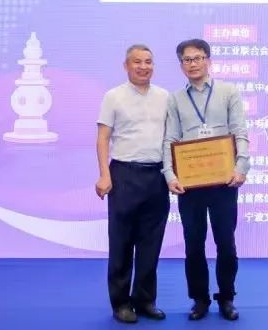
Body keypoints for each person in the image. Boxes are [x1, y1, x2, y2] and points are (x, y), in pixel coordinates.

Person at [162, 38, 249, 321]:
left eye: (198, 58)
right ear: (181, 65)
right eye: (187, 60)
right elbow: (170, 139)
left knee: (226, 243)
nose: (193, 64)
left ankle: (227, 297)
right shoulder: (175, 99)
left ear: (208, 60)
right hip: (190, 184)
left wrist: (241, 167)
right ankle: (199, 299)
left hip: (224, 182)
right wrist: (169, 174)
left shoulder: (228, 92)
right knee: (193, 244)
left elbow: (240, 132)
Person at [96, 44, 171, 324]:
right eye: (137, 62)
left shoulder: (165, 97)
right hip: (124, 175)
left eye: (148, 62)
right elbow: (103, 138)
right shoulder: (113, 96)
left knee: (151, 243)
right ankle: (121, 303)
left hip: (156, 176)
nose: (143, 66)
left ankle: (145, 300)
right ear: (126, 66)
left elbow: (171, 138)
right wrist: (104, 175)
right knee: (122, 242)